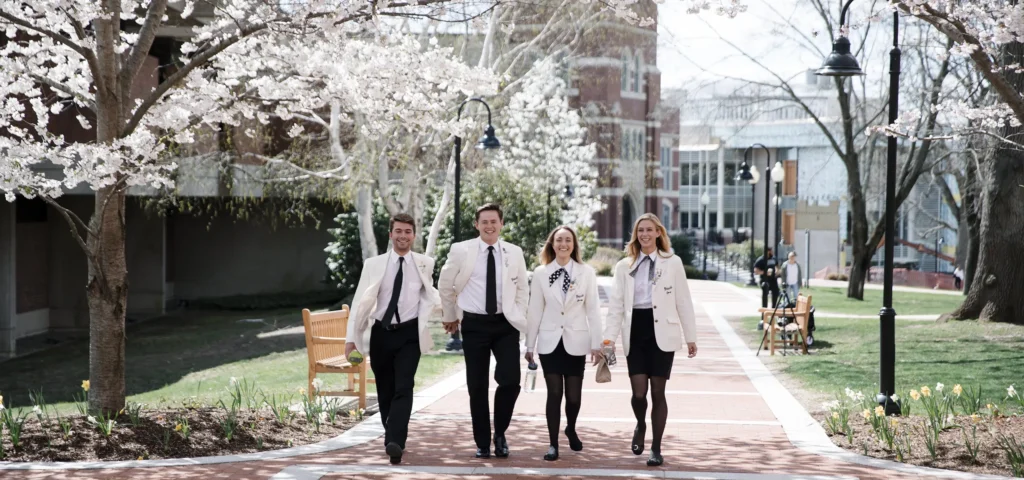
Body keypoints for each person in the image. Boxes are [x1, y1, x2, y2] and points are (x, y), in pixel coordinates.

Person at [345, 213, 440, 465]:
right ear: (390, 234)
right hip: (381, 333)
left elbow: (430, 294)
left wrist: (451, 314)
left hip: (410, 334)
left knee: (404, 386)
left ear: (414, 235)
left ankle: (396, 440)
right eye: (398, 231)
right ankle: (391, 437)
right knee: (385, 389)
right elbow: (358, 302)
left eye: (408, 232)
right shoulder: (373, 264)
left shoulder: (424, 263)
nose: (403, 236)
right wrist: (350, 339)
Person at [604, 213, 698, 467]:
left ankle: (656, 448)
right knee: (638, 393)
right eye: (640, 230)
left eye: (649, 230)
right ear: (636, 235)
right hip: (635, 331)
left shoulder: (673, 262)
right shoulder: (624, 266)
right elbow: (616, 306)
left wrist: (691, 337)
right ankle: (640, 423)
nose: (644, 234)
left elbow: (683, 301)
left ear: (658, 233)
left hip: (662, 333)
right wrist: (608, 340)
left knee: (658, 391)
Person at [438, 203, 530, 459]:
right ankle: (482, 442)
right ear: (476, 225)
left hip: (505, 325)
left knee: (511, 381)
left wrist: (517, 314)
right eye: (484, 222)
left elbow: (523, 287)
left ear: (501, 224)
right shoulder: (462, 250)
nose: (489, 226)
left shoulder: (514, 252)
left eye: (494, 221)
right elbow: (445, 284)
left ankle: (500, 433)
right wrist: (450, 316)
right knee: (477, 385)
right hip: (474, 324)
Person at [524, 226, 603, 462]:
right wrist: (529, 345)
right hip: (550, 342)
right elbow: (535, 310)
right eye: (559, 240)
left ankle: (570, 427)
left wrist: (597, 344)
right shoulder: (540, 273)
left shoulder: (586, 272)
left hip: (576, 340)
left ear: (574, 245)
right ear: (552, 244)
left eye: (568, 240)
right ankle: (552, 444)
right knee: (554, 393)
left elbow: (593, 310)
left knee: (574, 397)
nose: (563, 244)